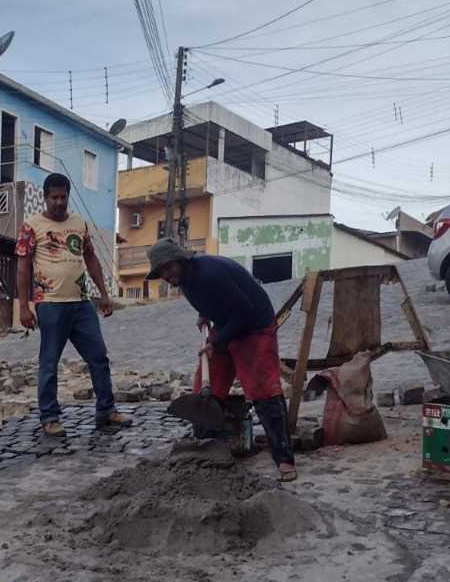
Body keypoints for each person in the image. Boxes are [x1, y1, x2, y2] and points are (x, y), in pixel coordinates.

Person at [146, 238, 296, 482]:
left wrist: (216, 343)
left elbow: (244, 310)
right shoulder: (186, 279)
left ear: (181, 260)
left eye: (168, 267)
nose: (166, 275)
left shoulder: (210, 273)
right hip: (227, 324)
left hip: (254, 325)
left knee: (263, 389)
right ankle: (208, 451)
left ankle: (285, 460)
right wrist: (205, 315)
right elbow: (215, 299)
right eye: (161, 271)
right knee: (205, 390)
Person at [16, 173, 131, 438]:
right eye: (53, 197)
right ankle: (49, 417)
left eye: (63, 197)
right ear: (45, 198)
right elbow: (22, 268)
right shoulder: (31, 226)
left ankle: (106, 410)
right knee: (49, 362)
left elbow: (91, 259)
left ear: (68, 196)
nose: (59, 202)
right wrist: (24, 307)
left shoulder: (79, 224)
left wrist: (103, 294)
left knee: (98, 356)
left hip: (81, 304)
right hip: (50, 304)